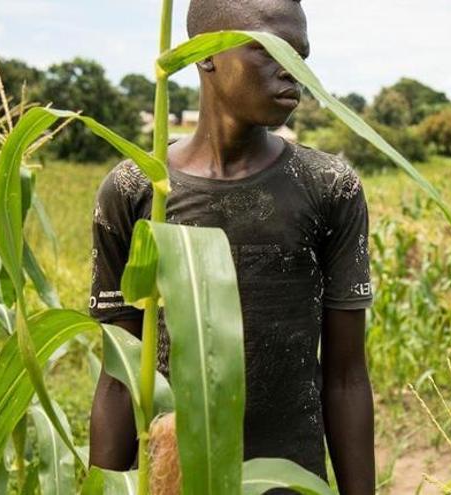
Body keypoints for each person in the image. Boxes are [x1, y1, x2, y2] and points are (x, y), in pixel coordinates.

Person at [87, 0, 375, 492]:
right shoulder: (136, 190)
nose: (292, 70)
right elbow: (119, 380)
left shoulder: (329, 187)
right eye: (269, 48)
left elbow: (346, 377)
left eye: (301, 54)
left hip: (292, 483)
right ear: (205, 54)